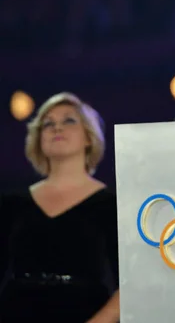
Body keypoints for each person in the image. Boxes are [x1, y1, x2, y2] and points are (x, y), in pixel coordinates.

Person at [0, 92, 120, 323]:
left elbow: (129, 284)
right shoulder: (12, 203)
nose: (57, 128)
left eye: (69, 120)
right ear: (38, 139)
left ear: (88, 137)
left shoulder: (111, 204)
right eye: (48, 124)